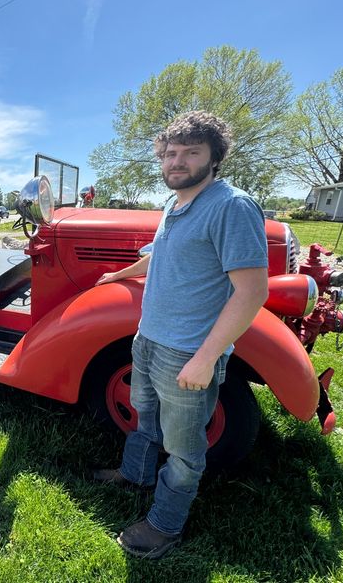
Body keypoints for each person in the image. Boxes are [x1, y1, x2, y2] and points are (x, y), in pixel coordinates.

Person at [93, 111, 269, 559]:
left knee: (185, 447)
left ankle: (164, 525)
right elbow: (160, 257)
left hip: (187, 351)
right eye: (171, 153)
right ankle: (136, 473)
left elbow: (251, 291)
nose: (177, 161)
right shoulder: (175, 203)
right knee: (143, 414)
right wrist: (120, 274)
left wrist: (206, 358)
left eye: (191, 152)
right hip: (148, 339)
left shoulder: (231, 205)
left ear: (214, 158)